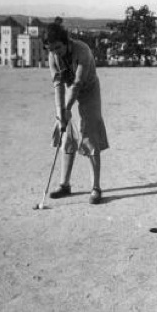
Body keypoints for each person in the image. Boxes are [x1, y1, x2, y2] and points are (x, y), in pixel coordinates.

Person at [46, 18, 109, 204]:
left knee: (89, 135)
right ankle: (64, 184)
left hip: (89, 90)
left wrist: (67, 108)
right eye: (51, 50)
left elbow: (77, 84)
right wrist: (60, 114)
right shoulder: (53, 56)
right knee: (66, 134)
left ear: (66, 41)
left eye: (58, 48)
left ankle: (96, 187)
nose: (55, 53)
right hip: (69, 89)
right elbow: (58, 84)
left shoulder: (83, 51)